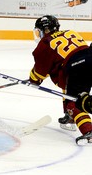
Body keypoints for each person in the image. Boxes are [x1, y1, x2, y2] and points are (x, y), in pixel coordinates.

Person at [28, 15, 92, 145]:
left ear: (44, 30)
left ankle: (88, 131)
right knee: (69, 88)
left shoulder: (45, 43)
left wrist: (33, 79)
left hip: (77, 67)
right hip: (89, 58)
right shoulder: (70, 32)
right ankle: (70, 116)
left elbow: (40, 71)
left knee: (74, 101)